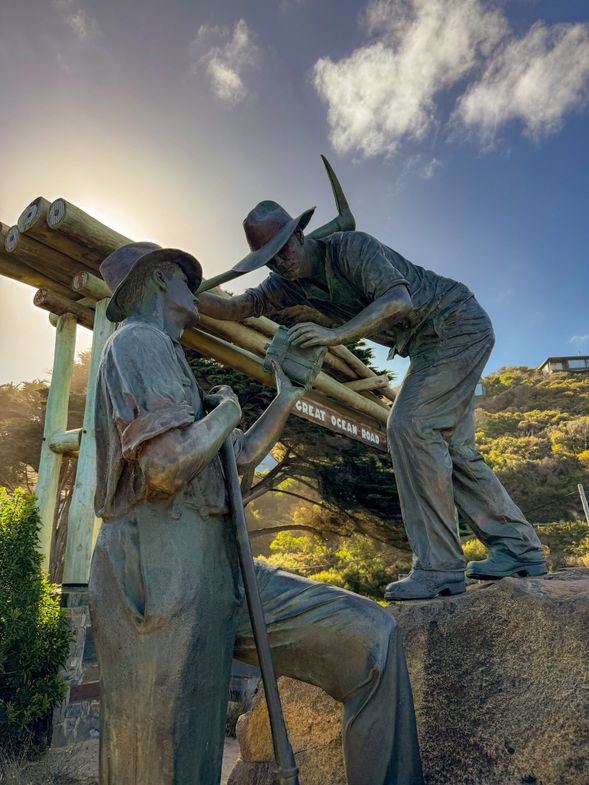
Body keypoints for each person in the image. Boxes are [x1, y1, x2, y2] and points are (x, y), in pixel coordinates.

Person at [89, 241, 424, 785]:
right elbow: (166, 467)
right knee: (169, 761)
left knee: (372, 640)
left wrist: (285, 395)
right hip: (159, 565)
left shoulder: (167, 354)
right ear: (155, 281)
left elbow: (235, 456)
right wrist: (226, 410)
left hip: (224, 567)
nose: (193, 290)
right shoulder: (138, 342)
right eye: (183, 278)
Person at [198, 200, 547, 601]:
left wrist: (335, 335)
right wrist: (182, 295)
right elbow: (234, 307)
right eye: (269, 259)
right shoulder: (284, 284)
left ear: (299, 234)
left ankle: (439, 567)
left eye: (283, 250)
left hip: (455, 323)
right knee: (455, 447)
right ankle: (518, 549)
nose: (280, 263)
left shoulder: (350, 248)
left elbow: (399, 301)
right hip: (427, 345)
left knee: (411, 425)